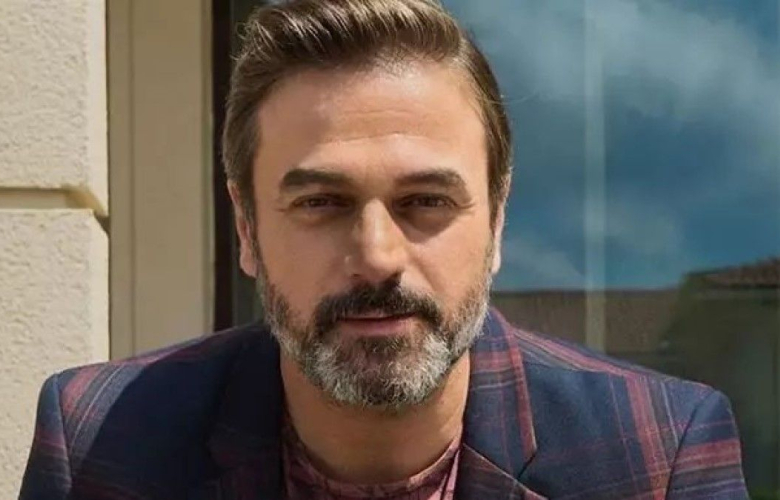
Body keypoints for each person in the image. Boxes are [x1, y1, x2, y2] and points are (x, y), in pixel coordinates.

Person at [20, 0, 748, 498]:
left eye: (425, 201)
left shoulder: (657, 455)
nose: (376, 256)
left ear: (496, 222)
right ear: (246, 228)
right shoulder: (100, 444)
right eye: (321, 203)